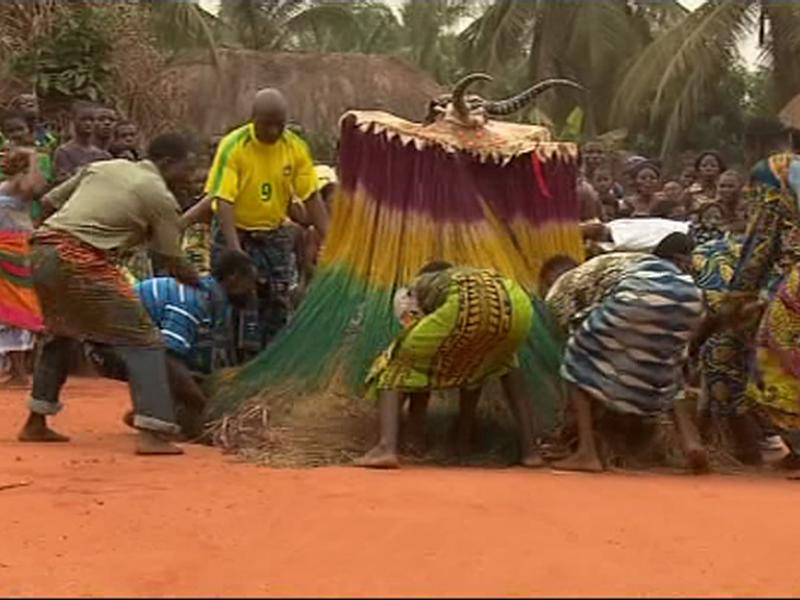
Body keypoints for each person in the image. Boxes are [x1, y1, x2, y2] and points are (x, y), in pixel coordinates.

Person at [17, 133, 200, 456]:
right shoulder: (159, 196)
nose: (191, 177)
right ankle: (153, 430)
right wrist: (202, 285)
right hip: (80, 260)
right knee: (145, 339)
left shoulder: (105, 167)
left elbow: (47, 203)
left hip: (42, 250)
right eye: (188, 168)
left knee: (62, 334)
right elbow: (170, 258)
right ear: (168, 163)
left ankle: (36, 421)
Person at [554, 234, 717, 473]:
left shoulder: (563, 288)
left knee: (575, 359)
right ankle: (691, 442)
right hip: (690, 299)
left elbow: (575, 322)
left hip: (638, 295)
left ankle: (586, 452)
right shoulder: (676, 275)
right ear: (682, 261)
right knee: (667, 367)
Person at [355, 262, 541, 469]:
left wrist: (415, 431)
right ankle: (528, 450)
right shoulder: (464, 276)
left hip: (466, 304)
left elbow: (417, 357)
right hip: (516, 304)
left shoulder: (413, 290)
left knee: (395, 364)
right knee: (493, 365)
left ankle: (386, 447)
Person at [207, 88, 329, 352]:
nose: (273, 131)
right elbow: (224, 201)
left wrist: (331, 237)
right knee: (233, 299)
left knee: (276, 301)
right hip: (235, 233)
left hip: (273, 234)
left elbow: (311, 196)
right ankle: (227, 364)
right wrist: (235, 251)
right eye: (267, 124)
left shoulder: (295, 148)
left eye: (279, 125)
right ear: (253, 118)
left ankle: (267, 360)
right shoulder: (234, 146)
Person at [89, 250, 256, 438]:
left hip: (127, 341)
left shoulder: (213, 300)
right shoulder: (193, 301)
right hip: (108, 347)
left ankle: (157, 413)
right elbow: (168, 355)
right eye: (250, 282)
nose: (253, 290)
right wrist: (203, 407)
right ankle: (153, 422)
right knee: (175, 370)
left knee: (194, 375)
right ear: (233, 277)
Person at [0, 149, 46, 386]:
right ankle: (16, 370)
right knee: (8, 308)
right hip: (8, 250)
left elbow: (33, 188)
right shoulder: (7, 185)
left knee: (13, 308)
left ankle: (19, 372)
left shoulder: (19, 185)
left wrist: (33, 160)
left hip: (14, 250)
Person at [52, 101, 110, 183]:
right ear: (73, 120)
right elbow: (62, 181)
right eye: (83, 119)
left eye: (91, 120)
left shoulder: (103, 155)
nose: (88, 123)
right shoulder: (64, 152)